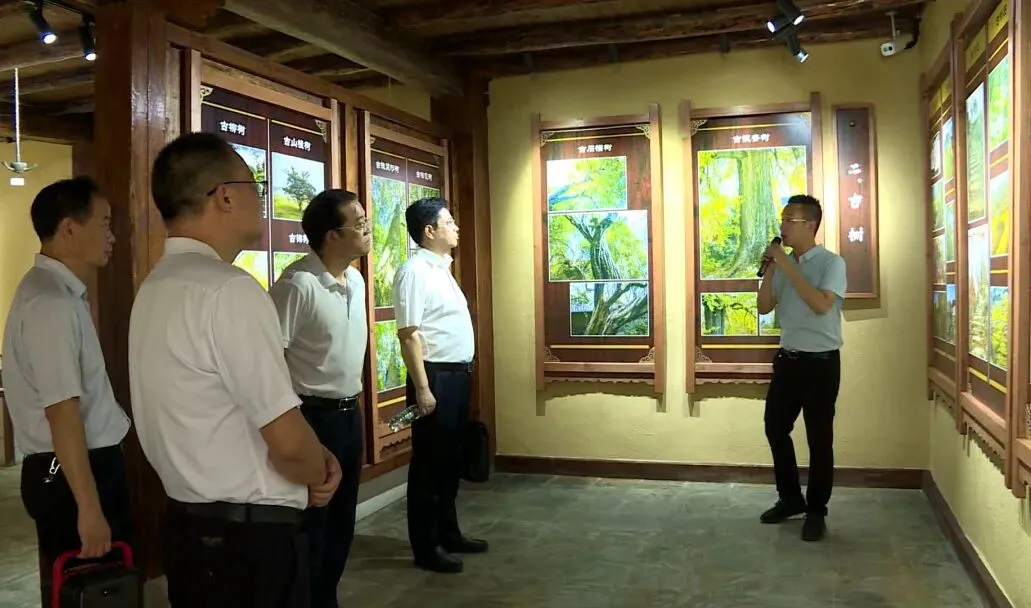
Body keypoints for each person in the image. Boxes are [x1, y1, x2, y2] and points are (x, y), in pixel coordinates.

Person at [128, 132, 341, 608]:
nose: (260, 198)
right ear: (224, 196)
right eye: (255, 186)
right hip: (249, 547)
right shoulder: (229, 290)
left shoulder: (156, 287)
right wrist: (319, 468)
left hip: (189, 531)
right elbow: (288, 444)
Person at [1, 177, 131, 607]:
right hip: (70, 471)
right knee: (91, 592)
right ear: (69, 229)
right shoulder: (51, 303)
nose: (112, 237)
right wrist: (89, 508)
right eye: (104, 223)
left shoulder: (57, 293)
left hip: (71, 468)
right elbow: (62, 413)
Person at [269, 189, 371, 608]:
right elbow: (269, 357)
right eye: (359, 224)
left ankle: (327, 597)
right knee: (312, 523)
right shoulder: (298, 285)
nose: (367, 230)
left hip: (350, 414)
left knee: (342, 522)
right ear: (332, 235)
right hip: (312, 416)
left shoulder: (356, 280)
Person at [393, 197, 485, 574]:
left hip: (456, 375)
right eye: (449, 222)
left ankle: (449, 533)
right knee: (430, 465)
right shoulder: (414, 271)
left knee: (450, 460)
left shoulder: (441, 268)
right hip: (434, 377)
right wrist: (423, 388)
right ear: (429, 231)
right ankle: (426, 546)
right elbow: (409, 334)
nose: (456, 227)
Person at [756, 194, 846, 542]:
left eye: (789, 220)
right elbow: (764, 307)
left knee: (819, 439)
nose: (782, 226)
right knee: (775, 428)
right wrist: (771, 269)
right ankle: (791, 498)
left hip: (821, 364)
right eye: (782, 220)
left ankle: (816, 510)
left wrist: (786, 264)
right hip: (788, 361)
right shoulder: (782, 263)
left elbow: (821, 305)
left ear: (810, 225)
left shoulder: (831, 263)